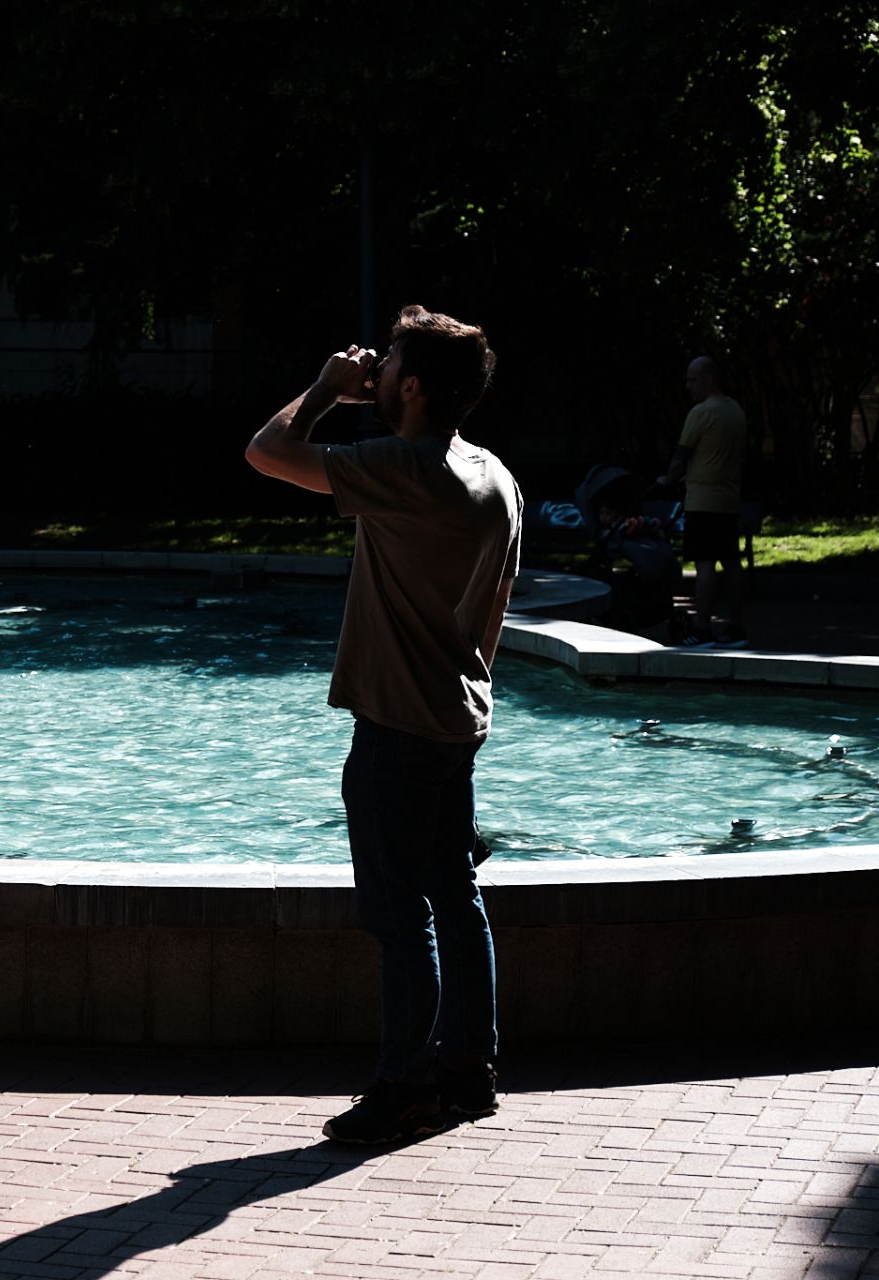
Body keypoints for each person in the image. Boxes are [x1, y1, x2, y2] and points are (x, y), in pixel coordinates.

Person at [245, 304, 522, 1145]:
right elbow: (495, 611)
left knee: (400, 917)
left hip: (397, 727)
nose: (374, 370)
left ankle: (405, 1087)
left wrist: (326, 388)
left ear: (408, 386)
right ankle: (470, 1070)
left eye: (387, 362)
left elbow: (266, 453)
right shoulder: (493, 474)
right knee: (455, 895)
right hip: (456, 718)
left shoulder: (406, 469)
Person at [661, 356, 748, 648]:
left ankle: (702, 628)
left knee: (705, 565)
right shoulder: (735, 411)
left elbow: (681, 456)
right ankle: (736, 628)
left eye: (693, 380)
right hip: (728, 499)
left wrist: (669, 479)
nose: (688, 386)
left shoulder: (701, 413)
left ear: (709, 379)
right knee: (732, 563)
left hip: (702, 500)